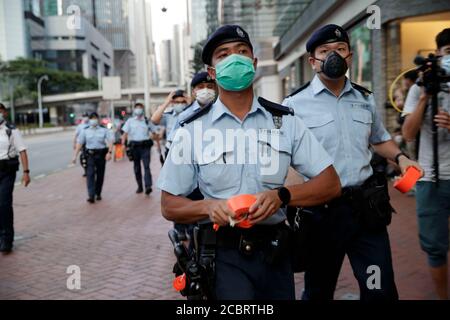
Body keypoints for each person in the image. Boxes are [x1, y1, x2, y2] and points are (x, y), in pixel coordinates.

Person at [157, 24, 342, 300]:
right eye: (223, 54)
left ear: (254, 64)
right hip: (223, 252)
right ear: (212, 71)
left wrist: (283, 195)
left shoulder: (285, 121)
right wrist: (209, 206)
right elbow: (169, 205)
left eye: (242, 52)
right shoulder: (191, 130)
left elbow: (331, 184)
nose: (234, 58)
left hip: (276, 252)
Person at [282, 24, 423, 301]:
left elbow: (379, 138)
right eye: (324, 51)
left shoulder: (364, 98)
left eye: (340, 49)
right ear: (312, 61)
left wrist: (401, 158)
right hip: (320, 215)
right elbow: (284, 158)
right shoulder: (293, 104)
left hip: (365, 211)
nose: (333, 55)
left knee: (379, 288)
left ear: (350, 56)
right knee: (318, 291)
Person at [402, 28, 450, 300]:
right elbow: (408, 133)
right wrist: (424, 96)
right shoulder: (421, 87)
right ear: (439, 54)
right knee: (434, 246)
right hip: (429, 178)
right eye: (448, 52)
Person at [0, 103, 30, 253]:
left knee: (4, 204)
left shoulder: (11, 131)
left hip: (7, 171)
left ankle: (7, 239)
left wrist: (26, 172)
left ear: (4, 112)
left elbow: (22, 151)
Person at [72, 112, 113, 203]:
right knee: (90, 175)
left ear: (98, 119)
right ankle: (91, 195)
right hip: (90, 155)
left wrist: (109, 152)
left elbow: (110, 141)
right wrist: (75, 155)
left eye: (95, 118)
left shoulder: (104, 130)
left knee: (100, 175)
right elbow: (80, 143)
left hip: (101, 155)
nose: (93, 120)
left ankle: (98, 193)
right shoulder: (85, 131)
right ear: (90, 120)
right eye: (92, 118)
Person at [121, 103, 157, 195]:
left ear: (143, 110)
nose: (138, 110)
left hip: (145, 147)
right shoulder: (130, 121)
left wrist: (157, 143)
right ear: (134, 110)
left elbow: (154, 132)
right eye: (137, 108)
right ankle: (140, 186)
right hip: (134, 147)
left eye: (140, 108)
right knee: (137, 168)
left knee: (146, 167)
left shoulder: (147, 121)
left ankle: (148, 186)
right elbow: (124, 133)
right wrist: (123, 145)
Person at [151, 89, 190, 159]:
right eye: (177, 102)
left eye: (183, 102)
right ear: (173, 103)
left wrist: (191, 104)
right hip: (171, 150)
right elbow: (154, 120)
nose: (180, 104)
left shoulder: (191, 114)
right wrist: (167, 102)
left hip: (188, 151)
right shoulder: (168, 115)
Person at [74, 113, 90, 177]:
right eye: (84, 116)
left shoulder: (91, 125)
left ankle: (91, 169)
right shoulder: (80, 126)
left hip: (90, 143)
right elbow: (76, 135)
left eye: (86, 116)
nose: (85, 118)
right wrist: (74, 143)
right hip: (82, 144)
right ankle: (86, 170)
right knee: (83, 157)